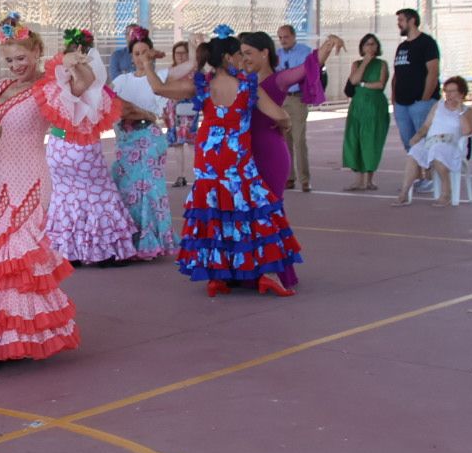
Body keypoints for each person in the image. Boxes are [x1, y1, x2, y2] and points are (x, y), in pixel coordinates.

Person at [0, 14, 85, 371]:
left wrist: (76, 62)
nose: (15, 66)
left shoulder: (49, 87)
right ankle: (5, 334)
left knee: (14, 255)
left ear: (38, 52)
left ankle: (6, 340)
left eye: (21, 58)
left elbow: (81, 95)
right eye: (9, 60)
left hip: (29, 179)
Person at [144, 34, 302, 298]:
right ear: (229, 57)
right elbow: (281, 115)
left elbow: (159, 88)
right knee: (251, 210)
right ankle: (266, 274)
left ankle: (217, 276)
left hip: (208, 157)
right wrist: (282, 127)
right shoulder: (247, 86)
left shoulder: (203, 85)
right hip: (237, 157)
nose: (243, 59)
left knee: (213, 210)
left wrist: (148, 65)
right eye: (240, 54)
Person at [42, 28, 134, 267]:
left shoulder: (54, 81)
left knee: (64, 198)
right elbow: (86, 83)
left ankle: (70, 250)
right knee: (98, 194)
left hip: (57, 146)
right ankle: (104, 249)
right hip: (81, 147)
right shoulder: (90, 80)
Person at [237, 30, 341, 203]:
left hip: (269, 151)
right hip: (244, 153)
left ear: (264, 53)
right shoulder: (241, 81)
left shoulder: (279, 79)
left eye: (248, 53)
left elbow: (309, 66)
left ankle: (303, 179)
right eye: (242, 54)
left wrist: (329, 43)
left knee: (270, 212)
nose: (244, 58)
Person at [108, 34, 175, 259]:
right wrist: (136, 111)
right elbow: (114, 107)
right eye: (136, 54)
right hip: (126, 139)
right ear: (130, 57)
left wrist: (139, 112)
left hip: (149, 137)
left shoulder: (160, 78)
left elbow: (154, 113)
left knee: (150, 189)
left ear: (152, 54)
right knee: (126, 188)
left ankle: (152, 239)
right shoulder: (121, 82)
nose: (140, 57)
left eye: (145, 53)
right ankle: (130, 240)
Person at [393, 76, 472, 206]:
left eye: (452, 91)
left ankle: (446, 192)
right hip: (432, 140)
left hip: (452, 144)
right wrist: (418, 135)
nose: (448, 95)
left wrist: (459, 109)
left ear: (461, 93)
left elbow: (467, 131)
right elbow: (427, 126)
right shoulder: (438, 106)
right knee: (414, 152)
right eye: (446, 91)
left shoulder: (467, 111)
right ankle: (404, 192)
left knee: (437, 150)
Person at [391, 10, 441, 196]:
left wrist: (425, 97)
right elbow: (397, 74)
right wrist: (394, 98)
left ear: (412, 21)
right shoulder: (402, 47)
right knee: (409, 141)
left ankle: (429, 177)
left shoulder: (427, 43)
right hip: (402, 103)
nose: (399, 24)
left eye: (401, 20)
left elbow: (433, 71)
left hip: (420, 102)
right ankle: (418, 176)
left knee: (424, 140)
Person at [340, 33, 391, 191]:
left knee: (371, 140)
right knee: (355, 139)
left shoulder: (382, 64)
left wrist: (363, 85)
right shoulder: (356, 64)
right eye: (368, 44)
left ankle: (369, 179)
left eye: (373, 44)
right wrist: (366, 62)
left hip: (375, 106)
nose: (371, 47)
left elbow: (380, 84)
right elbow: (353, 81)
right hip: (358, 106)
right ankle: (358, 179)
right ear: (362, 47)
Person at [275, 24, 314, 191]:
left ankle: (305, 180)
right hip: (282, 99)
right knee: (285, 141)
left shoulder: (304, 52)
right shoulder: (277, 55)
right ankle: (289, 178)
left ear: (294, 36)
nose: (283, 40)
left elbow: (310, 72)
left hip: (297, 98)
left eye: (286, 37)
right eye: (281, 37)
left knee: (299, 140)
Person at [165, 40, 197, 188]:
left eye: (183, 53)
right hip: (172, 110)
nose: (180, 56)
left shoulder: (193, 70)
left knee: (191, 144)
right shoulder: (171, 70)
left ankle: (198, 176)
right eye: (177, 53)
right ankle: (180, 176)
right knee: (177, 145)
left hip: (188, 108)